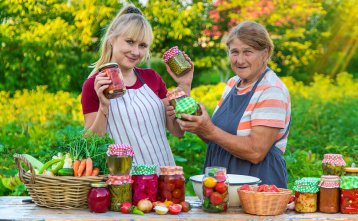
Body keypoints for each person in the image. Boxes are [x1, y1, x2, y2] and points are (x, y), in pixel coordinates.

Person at [177, 21, 291, 188]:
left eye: (248, 52)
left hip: (257, 185)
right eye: (234, 52)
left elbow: (256, 152)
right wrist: (198, 124)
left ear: (265, 53)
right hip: (222, 184)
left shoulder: (271, 90)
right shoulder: (233, 84)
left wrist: (210, 130)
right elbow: (217, 138)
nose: (239, 60)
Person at [81, 4, 193, 167]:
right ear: (112, 38)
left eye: (142, 45)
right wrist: (104, 106)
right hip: (124, 180)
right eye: (130, 42)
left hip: (163, 174)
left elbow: (178, 131)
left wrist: (184, 84)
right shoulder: (95, 84)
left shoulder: (152, 78)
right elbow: (90, 143)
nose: (135, 52)